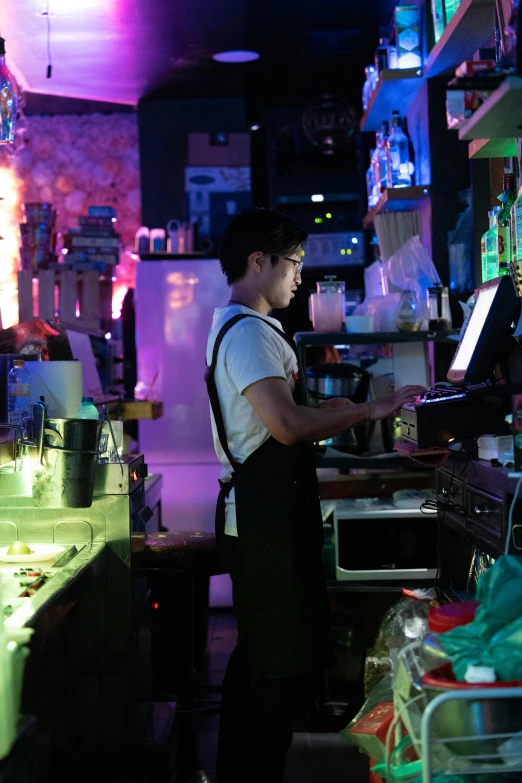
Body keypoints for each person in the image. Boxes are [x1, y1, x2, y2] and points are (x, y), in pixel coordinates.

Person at [205, 208, 425, 782]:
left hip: (264, 513)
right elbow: (283, 427)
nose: (299, 276)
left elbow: (275, 419)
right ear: (260, 262)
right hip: (263, 520)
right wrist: (369, 408)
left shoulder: (237, 324)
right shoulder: (248, 330)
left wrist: (323, 412)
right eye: (294, 263)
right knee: (273, 672)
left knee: (262, 663)